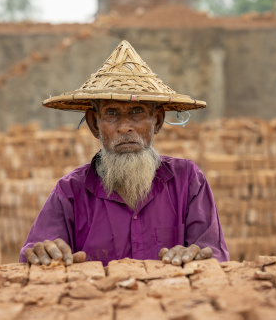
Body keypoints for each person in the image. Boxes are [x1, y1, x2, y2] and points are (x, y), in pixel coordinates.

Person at [20, 40, 229, 267]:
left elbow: (213, 254)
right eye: (112, 114)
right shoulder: (70, 192)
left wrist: (195, 255)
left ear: (157, 121)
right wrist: (44, 253)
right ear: (94, 124)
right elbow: (37, 253)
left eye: (137, 112)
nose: (124, 127)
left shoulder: (187, 180)